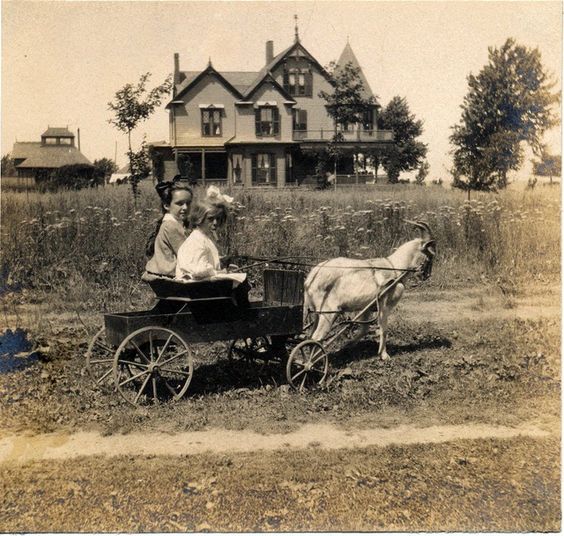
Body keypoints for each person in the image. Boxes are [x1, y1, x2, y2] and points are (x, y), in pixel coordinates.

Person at [144, 178, 193, 279]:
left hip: (166, 274)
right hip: (167, 276)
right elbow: (188, 255)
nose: (185, 207)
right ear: (166, 205)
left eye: (188, 203)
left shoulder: (175, 223)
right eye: (180, 204)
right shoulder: (171, 226)